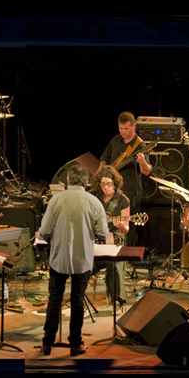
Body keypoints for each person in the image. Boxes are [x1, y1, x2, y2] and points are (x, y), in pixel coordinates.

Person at [39, 164, 107, 356]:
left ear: (68, 181)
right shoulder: (94, 202)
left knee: (55, 300)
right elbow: (102, 233)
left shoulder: (56, 200)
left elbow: (44, 231)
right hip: (82, 259)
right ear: (87, 182)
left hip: (58, 258)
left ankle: (47, 343)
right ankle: (76, 345)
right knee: (77, 301)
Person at [99, 112, 152, 216]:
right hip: (111, 191)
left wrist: (142, 162)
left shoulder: (140, 145)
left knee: (127, 226)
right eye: (120, 128)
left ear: (133, 126)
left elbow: (146, 171)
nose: (122, 131)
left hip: (130, 194)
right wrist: (100, 174)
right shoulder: (115, 140)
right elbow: (104, 157)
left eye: (126, 129)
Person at [92, 166, 130, 307]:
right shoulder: (93, 196)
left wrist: (120, 225)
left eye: (109, 184)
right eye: (103, 184)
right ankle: (81, 294)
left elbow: (126, 229)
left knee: (114, 264)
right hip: (95, 237)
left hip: (115, 238)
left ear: (115, 183)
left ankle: (117, 300)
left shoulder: (123, 200)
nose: (106, 187)